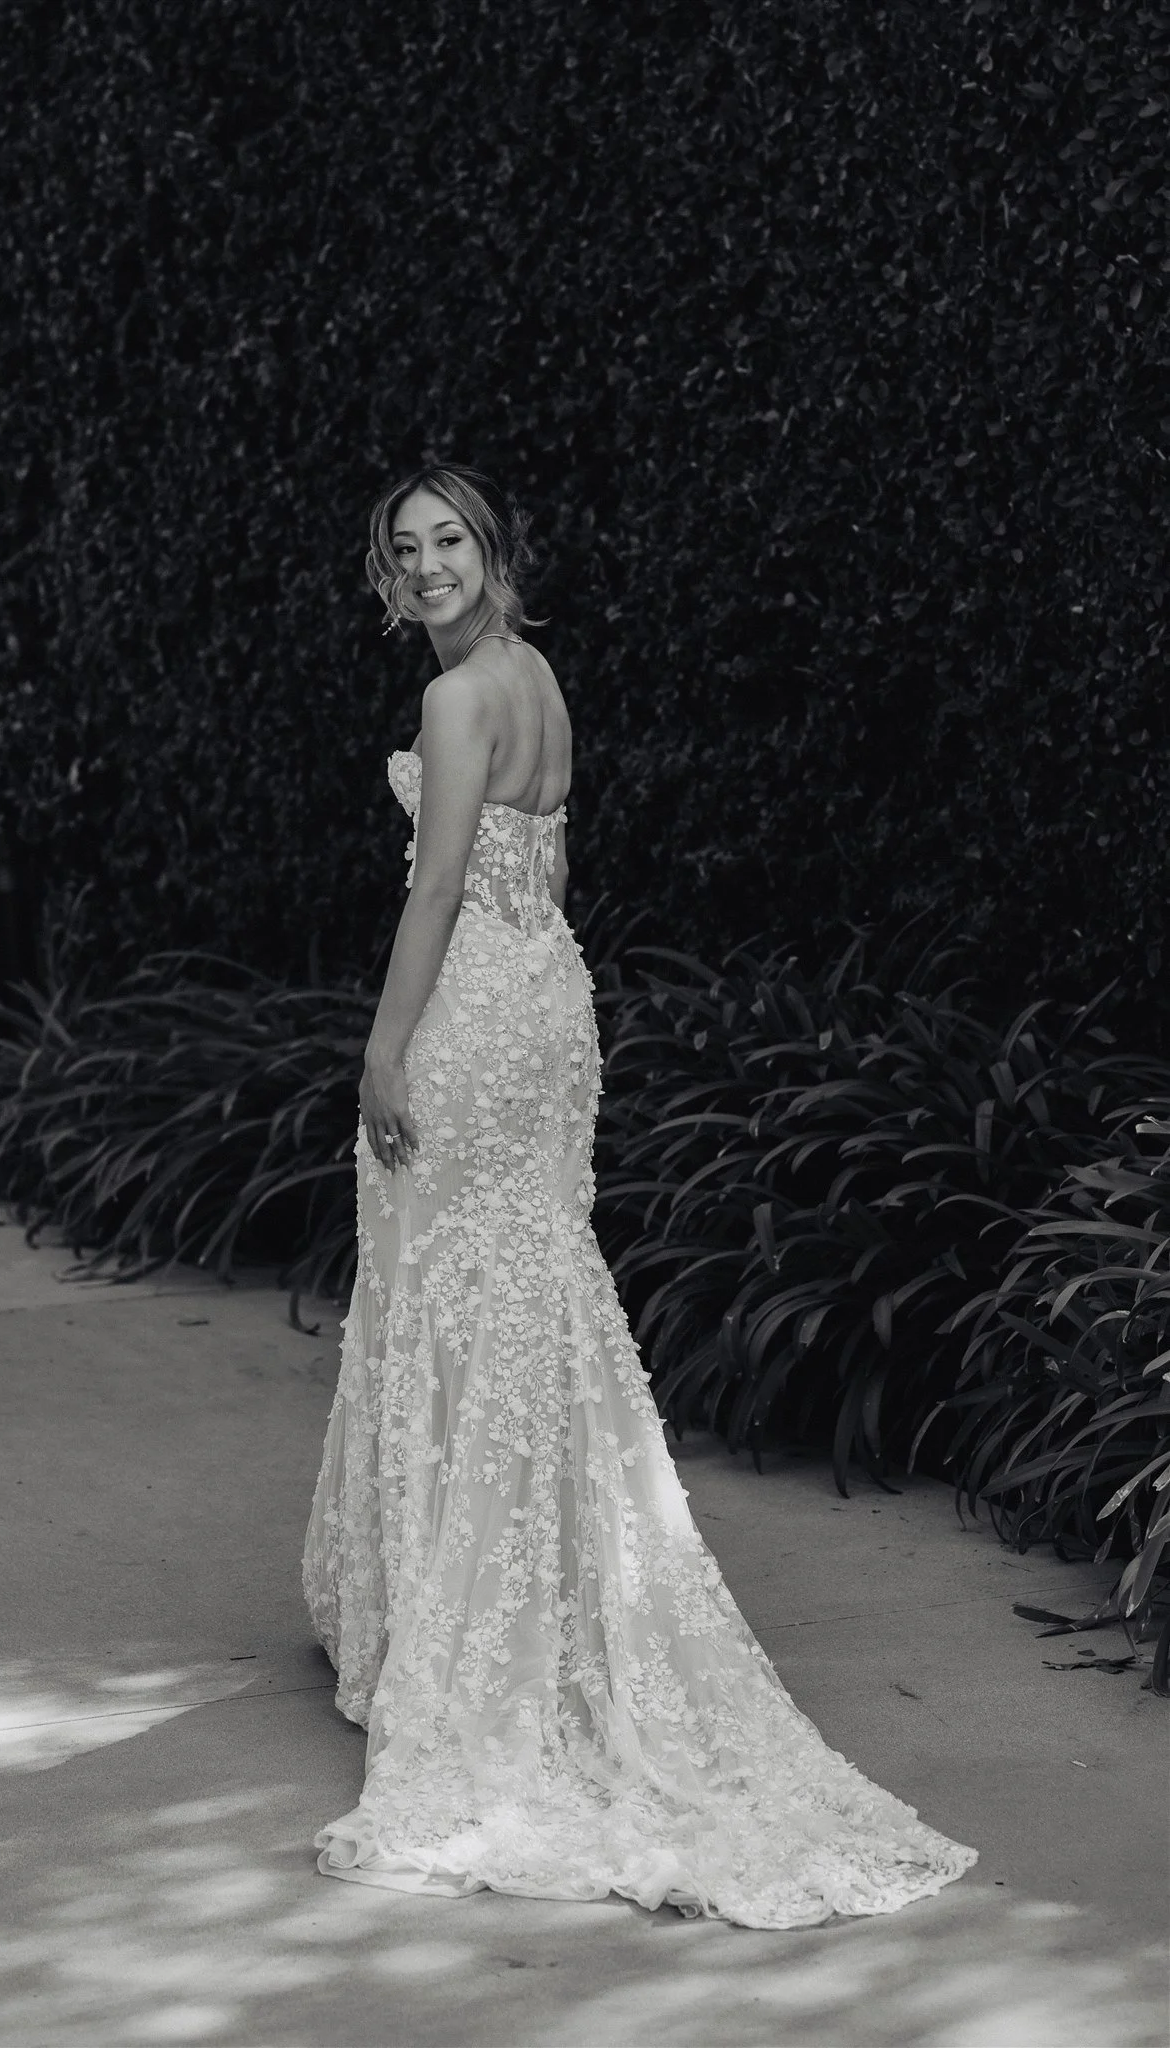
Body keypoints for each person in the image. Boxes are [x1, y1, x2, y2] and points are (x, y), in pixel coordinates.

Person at [301, 464, 976, 1926]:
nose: (427, 567)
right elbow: (543, 871)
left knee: (453, 1287)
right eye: (403, 549)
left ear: (493, 552)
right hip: (553, 1000)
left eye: (449, 543)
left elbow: (436, 890)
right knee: (529, 1286)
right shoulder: (536, 676)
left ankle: (475, 1630)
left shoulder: (452, 700)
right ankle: (528, 1604)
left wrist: (384, 1042)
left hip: (477, 1004)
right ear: (383, 572)